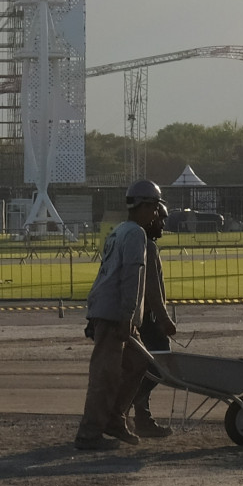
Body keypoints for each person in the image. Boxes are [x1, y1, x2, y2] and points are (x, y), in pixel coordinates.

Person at [74, 179, 171, 451]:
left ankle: (115, 419)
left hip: (110, 310)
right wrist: (129, 316)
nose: (156, 215)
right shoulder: (137, 235)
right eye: (154, 208)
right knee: (104, 375)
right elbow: (133, 275)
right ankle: (88, 434)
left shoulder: (120, 230)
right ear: (145, 206)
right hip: (116, 314)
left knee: (139, 362)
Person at [131, 198, 178, 438]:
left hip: (137, 317)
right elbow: (152, 289)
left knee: (143, 368)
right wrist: (164, 320)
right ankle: (132, 406)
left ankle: (141, 417)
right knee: (160, 366)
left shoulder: (139, 242)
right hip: (147, 318)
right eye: (160, 219)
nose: (163, 224)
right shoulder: (148, 246)